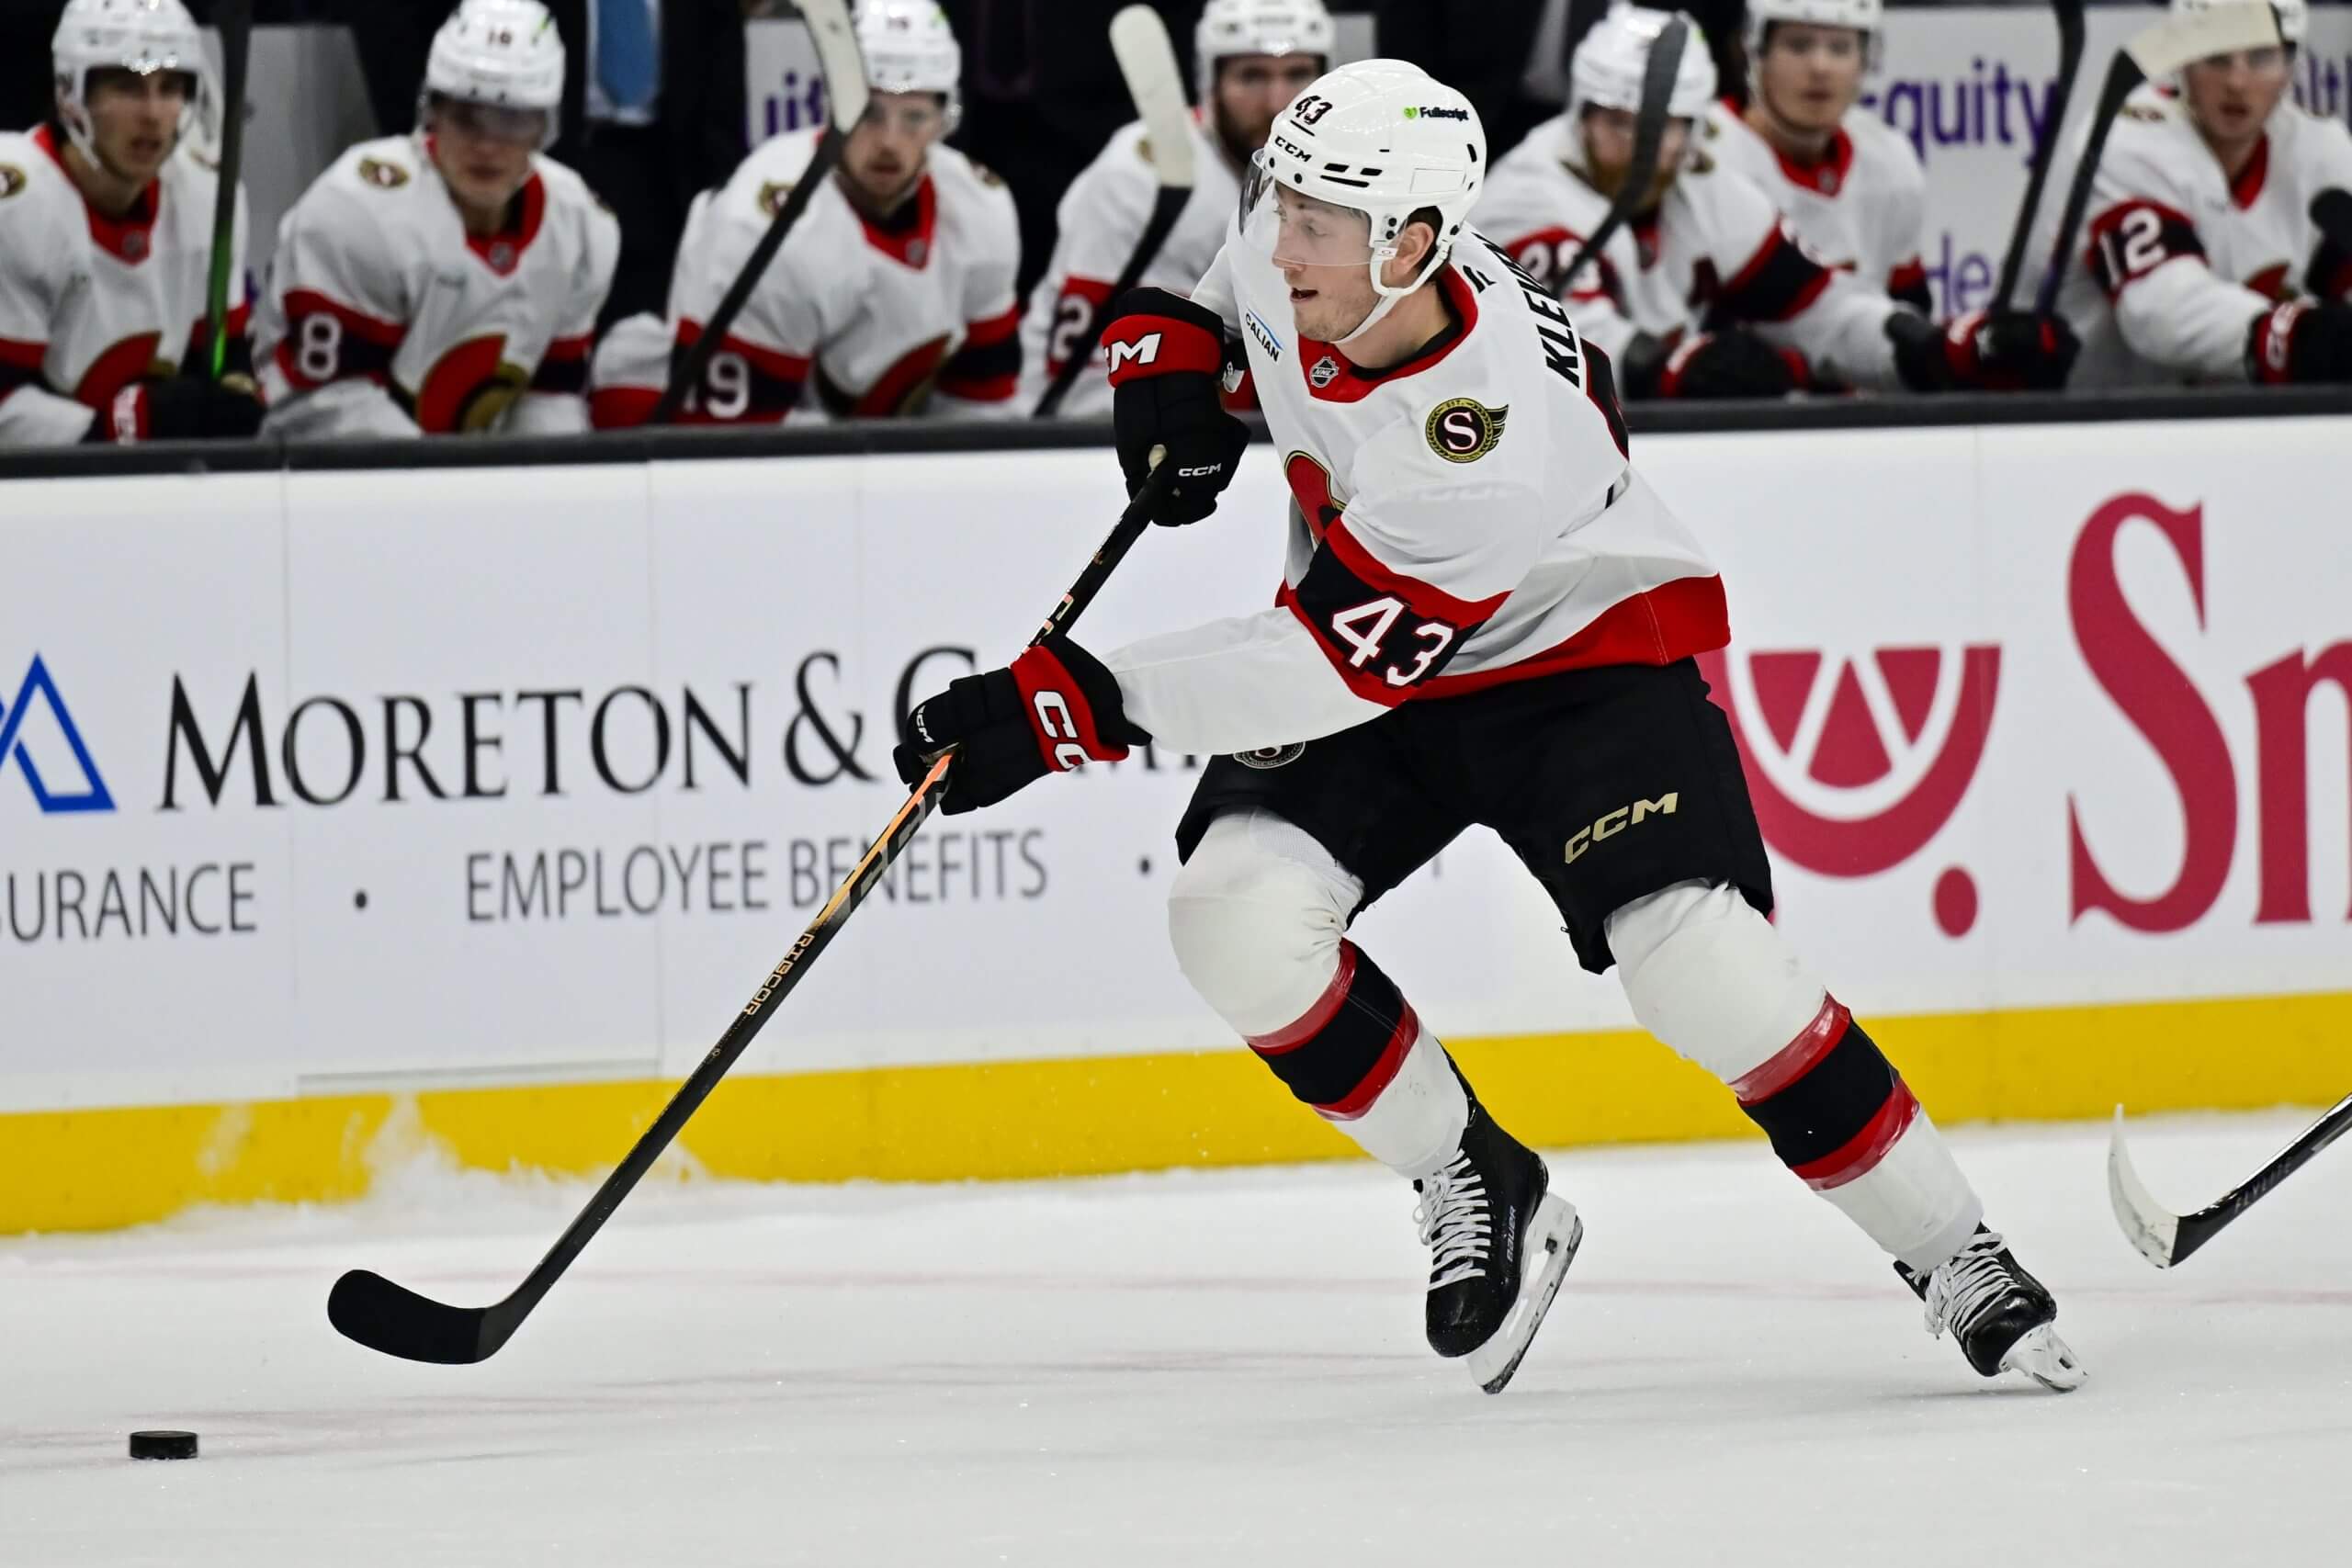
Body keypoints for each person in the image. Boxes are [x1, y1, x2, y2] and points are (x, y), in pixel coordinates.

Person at [892, 58, 2086, 1395]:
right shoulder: (1315, 228)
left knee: (1696, 959)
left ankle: (1953, 1246)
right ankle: (1475, 1172)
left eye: (1314, 227)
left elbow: (1320, 671)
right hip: (1377, 632)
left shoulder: (1480, 439)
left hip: (1571, 658)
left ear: (1413, 245)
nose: (1277, 240)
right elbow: (1226, 280)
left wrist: (1075, 704)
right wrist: (1170, 349)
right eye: (1275, 203)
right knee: (1228, 912)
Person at [1475, 6, 2073, 400]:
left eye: (1670, 130)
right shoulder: (1528, 196)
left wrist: (1933, 349)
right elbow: (1568, 347)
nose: (1650, 153)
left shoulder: (1699, 183)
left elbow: (1819, 304)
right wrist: (1671, 370)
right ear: (1581, 112)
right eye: (1622, 126)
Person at [588, 1, 1020, 426]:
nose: (889, 142)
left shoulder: (979, 209)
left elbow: (980, 408)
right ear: (833, 99)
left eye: (914, 117)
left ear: (945, 120)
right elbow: (737, 451)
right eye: (869, 113)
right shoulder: (762, 226)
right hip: (681, 416)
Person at [251, 0, 616, 438]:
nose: (487, 145)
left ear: (545, 128)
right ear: (432, 113)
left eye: (512, 119)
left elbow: (550, 402)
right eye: (467, 116)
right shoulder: (355, 211)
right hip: (330, 492)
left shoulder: (578, 224)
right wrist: (444, 494)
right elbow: (325, 409)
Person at [1018, 0, 1331, 417]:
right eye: (1252, 76)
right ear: (1210, 81)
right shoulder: (1135, 178)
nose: (1277, 102)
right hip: (1117, 436)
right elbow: (1088, 389)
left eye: (1298, 74)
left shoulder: (1352, 173)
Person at [2041, 0, 2352, 389]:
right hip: (2085, 423)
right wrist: (2301, 338)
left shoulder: (2321, 150)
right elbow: (2159, 313)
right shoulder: (2128, 140)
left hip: (2246, 426)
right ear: (2183, 61)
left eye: (2260, 56)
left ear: (2291, 66)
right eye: (2217, 57)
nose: (2237, 82)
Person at [0, 0, 260, 446]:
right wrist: (129, 423)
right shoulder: (16, 206)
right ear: (69, 92)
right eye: (127, 87)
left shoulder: (207, 199)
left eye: (170, 87)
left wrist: (234, 394)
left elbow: (227, 359)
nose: (154, 114)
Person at [1702, 0, 1929, 312]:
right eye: (1798, 46)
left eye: (1839, 48)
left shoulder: (1890, 157)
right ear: (1756, 52)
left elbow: (1910, 307)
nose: (1821, 67)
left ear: (1865, 60)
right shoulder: (1705, 154)